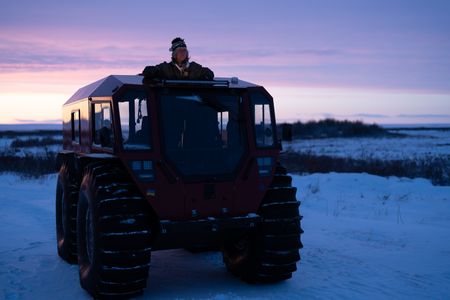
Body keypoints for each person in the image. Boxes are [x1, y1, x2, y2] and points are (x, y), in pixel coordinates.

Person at [142, 37, 214, 82]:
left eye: (184, 50)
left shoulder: (195, 68)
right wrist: (151, 72)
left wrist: (205, 78)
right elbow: (151, 71)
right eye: (180, 50)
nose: (183, 53)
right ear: (174, 54)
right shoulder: (166, 68)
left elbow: (209, 73)